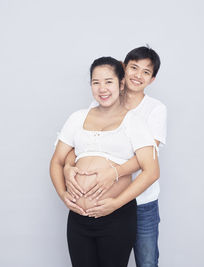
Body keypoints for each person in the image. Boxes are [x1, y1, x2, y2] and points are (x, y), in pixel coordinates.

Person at [50, 56, 159, 267]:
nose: (102, 88)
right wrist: (63, 195)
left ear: (121, 84)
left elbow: (152, 171)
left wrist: (115, 204)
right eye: (96, 82)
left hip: (116, 217)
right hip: (78, 218)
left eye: (108, 81)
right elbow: (56, 161)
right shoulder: (77, 118)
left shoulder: (134, 122)